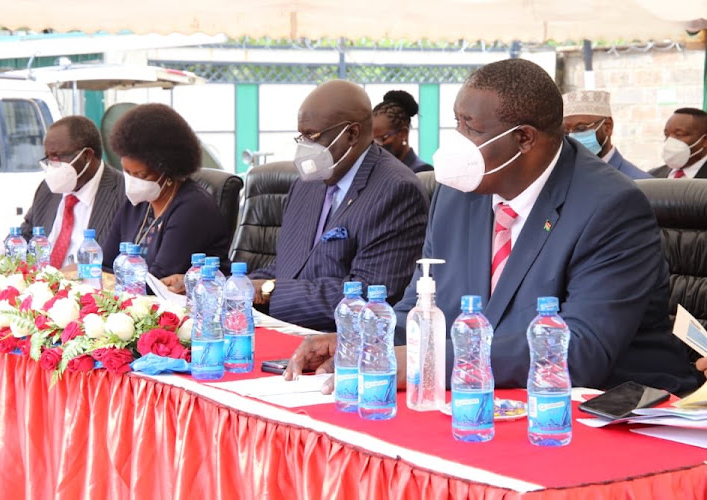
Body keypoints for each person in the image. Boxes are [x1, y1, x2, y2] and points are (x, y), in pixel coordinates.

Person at [286, 59, 702, 397]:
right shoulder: (457, 192)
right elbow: (421, 307)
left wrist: (424, 361)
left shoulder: (610, 207)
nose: (457, 141)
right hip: (487, 398)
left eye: (472, 128)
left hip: (609, 411)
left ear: (524, 139)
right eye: (457, 123)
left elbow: (580, 351)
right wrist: (361, 340)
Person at [249, 80, 429, 331]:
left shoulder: (396, 190)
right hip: (279, 331)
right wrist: (235, 286)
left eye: (311, 136)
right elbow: (288, 269)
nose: (304, 147)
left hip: (340, 347)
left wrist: (271, 291)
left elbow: (370, 295)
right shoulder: (307, 182)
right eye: (300, 136)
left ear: (352, 134)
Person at [101, 104, 231, 278]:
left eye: (141, 174)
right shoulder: (136, 204)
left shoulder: (193, 208)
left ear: (167, 168)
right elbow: (105, 265)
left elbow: (157, 280)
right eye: (127, 172)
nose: (133, 181)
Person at [21, 116, 125, 268]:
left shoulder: (123, 193)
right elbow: (26, 235)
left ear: (87, 155)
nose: (52, 166)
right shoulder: (48, 188)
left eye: (57, 157)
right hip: (40, 284)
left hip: (90, 287)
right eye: (48, 158)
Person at [562, 90, 650, 180]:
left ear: (608, 126)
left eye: (581, 128)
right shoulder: (565, 179)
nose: (572, 136)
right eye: (565, 131)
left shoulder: (639, 182)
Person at [372, 90, 433, 173]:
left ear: (403, 134)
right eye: (372, 140)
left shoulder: (422, 172)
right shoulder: (379, 169)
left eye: (382, 138)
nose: (376, 146)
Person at [648, 108, 707, 179]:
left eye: (679, 134)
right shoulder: (653, 176)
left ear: (704, 141)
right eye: (667, 135)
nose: (670, 141)